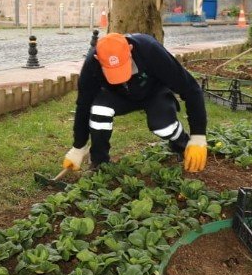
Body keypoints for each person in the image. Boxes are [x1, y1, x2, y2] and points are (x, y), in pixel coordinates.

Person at [63, 33, 209, 173]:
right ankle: (99, 162)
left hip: (154, 92)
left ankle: (182, 144)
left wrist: (198, 135)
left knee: (164, 128)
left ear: (130, 49)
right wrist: (78, 147)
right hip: (119, 95)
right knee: (99, 110)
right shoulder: (92, 64)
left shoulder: (150, 50)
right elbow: (83, 105)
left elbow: (191, 89)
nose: (121, 77)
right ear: (97, 58)